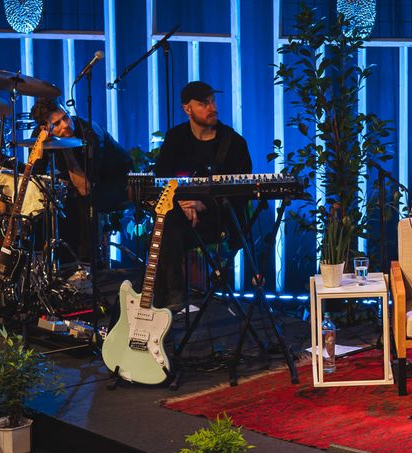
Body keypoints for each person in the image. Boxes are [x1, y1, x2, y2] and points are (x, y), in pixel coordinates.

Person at [151, 80, 253, 307]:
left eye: (213, 101)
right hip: (181, 217)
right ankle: (170, 297)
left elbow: (241, 192)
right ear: (187, 109)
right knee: (166, 221)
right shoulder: (175, 138)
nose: (212, 108)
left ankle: (169, 299)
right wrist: (183, 203)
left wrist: (203, 203)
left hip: (219, 220)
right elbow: (163, 178)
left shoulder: (233, 143)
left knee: (166, 230)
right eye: (204, 103)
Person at [31, 96, 132, 266]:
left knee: (84, 201)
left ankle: (87, 263)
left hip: (116, 180)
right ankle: (55, 261)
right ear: (45, 128)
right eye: (57, 124)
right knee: (51, 201)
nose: (66, 125)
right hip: (81, 179)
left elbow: (86, 188)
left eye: (66, 117)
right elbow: (36, 173)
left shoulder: (90, 133)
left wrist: (66, 149)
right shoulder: (41, 135)